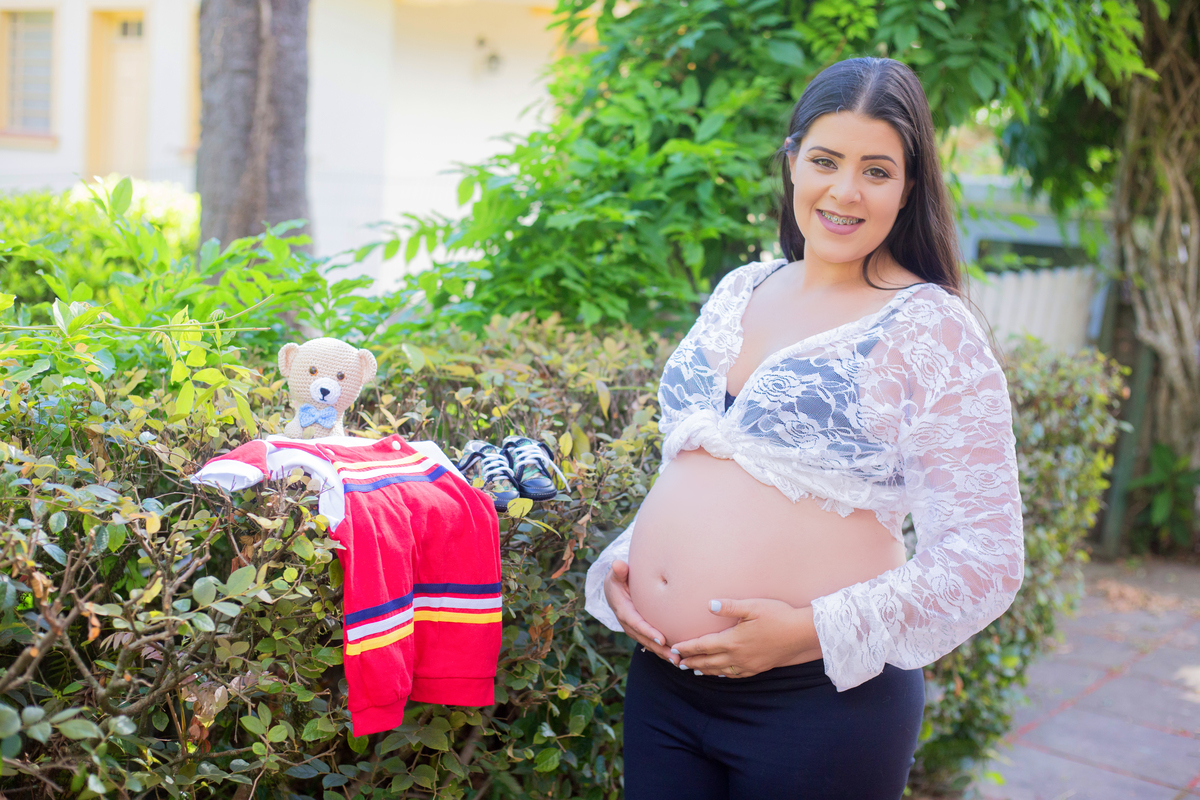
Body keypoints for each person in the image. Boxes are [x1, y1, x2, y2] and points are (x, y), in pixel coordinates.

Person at [583, 57, 1025, 799]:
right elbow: (706, 470)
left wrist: (807, 631)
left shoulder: (931, 329)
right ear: (791, 163)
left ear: (909, 187)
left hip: (820, 706)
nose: (845, 191)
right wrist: (629, 566)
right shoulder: (740, 289)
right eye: (825, 160)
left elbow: (986, 557)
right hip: (665, 683)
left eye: (877, 170)